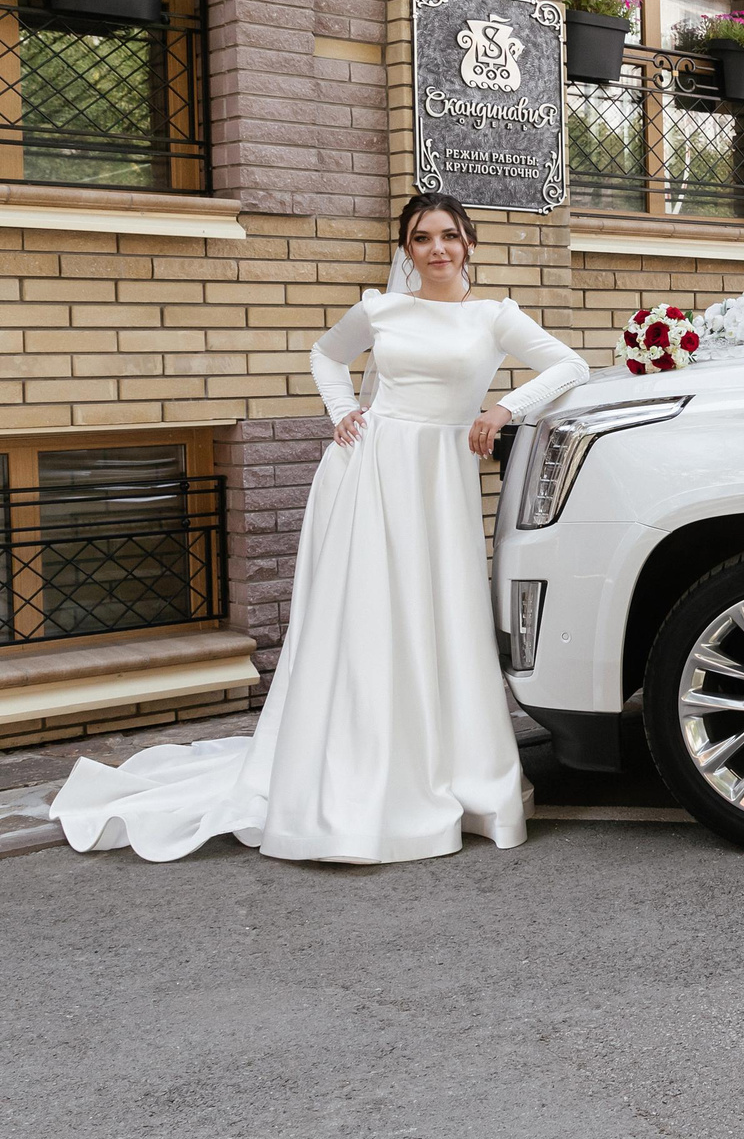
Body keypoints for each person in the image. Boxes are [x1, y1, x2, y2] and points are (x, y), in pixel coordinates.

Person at [48, 193, 590, 864]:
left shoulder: (494, 316)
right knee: (368, 615)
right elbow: (327, 354)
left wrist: (504, 408)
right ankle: (361, 765)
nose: (438, 249)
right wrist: (341, 411)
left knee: (440, 614)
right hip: (369, 470)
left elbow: (570, 365)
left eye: (449, 236)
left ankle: (448, 765)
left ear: (469, 243)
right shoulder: (381, 309)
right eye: (422, 238)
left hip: (439, 477)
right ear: (407, 249)